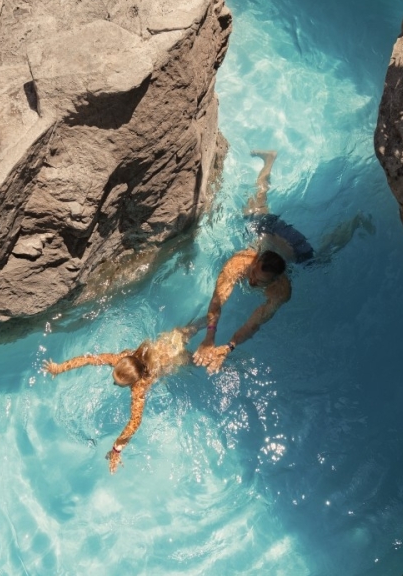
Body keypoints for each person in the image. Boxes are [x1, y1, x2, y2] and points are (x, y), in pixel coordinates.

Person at [192, 150, 309, 374]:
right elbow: (217, 300)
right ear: (254, 262)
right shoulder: (240, 262)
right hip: (268, 232)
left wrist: (229, 347)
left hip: (293, 247)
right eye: (254, 274)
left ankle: (353, 224)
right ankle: (269, 159)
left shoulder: (281, 291)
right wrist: (209, 337)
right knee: (258, 200)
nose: (253, 282)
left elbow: (254, 323)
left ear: (276, 280)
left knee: (322, 256)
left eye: (262, 282)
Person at [42, 319, 203, 473]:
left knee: (197, 360)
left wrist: (116, 450)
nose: (114, 383)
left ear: (132, 382)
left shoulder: (139, 388)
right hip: (168, 342)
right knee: (192, 327)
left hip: (174, 361)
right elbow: (89, 359)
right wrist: (60, 368)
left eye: (118, 384)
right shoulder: (119, 360)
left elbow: (134, 423)